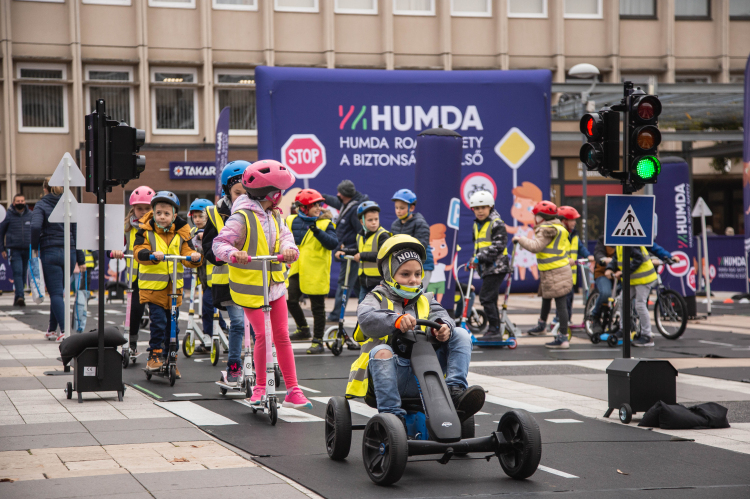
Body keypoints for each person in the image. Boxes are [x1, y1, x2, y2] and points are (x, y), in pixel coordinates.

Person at [346, 235, 485, 426]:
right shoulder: (376, 297)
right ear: (389, 274)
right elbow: (366, 319)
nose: (413, 280)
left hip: (425, 373)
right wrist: (396, 320)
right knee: (381, 351)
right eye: (405, 274)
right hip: (388, 376)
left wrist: (443, 327)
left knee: (459, 333)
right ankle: (392, 416)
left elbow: (444, 316)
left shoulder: (426, 299)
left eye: (417, 274)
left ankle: (454, 392)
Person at [212, 160, 312, 409]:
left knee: (282, 337)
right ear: (273, 194)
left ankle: (293, 389)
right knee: (263, 335)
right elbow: (219, 244)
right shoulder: (241, 216)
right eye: (281, 192)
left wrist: (289, 250)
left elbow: (286, 238)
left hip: (275, 285)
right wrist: (234, 254)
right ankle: (258, 389)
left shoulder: (276, 214)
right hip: (250, 287)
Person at [134, 191, 202, 377]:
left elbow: (188, 252)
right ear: (153, 214)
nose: (162, 217)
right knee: (159, 323)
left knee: (173, 326)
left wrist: (195, 258)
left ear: (174, 216)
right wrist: (150, 255)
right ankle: (154, 356)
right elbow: (138, 250)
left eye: (166, 213)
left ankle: (170, 357)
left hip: (174, 289)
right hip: (153, 289)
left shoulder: (182, 232)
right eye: (158, 213)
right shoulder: (145, 230)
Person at [203, 161, 253, 384]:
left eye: (247, 192)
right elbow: (208, 247)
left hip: (255, 279)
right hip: (229, 281)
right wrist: (226, 254)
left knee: (259, 327)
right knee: (239, 324)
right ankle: (234, 365)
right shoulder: (215, 214)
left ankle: (263, 365)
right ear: (227, 191)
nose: (243, 197)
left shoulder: (260, 212)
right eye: (237, 193)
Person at [31, 178, 86, 341]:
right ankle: (51, 329)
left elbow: (35, 227)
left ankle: (64, 331)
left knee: (55, 292)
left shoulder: (41, 205)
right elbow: (76, 232)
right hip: (69, 253)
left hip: (50, 252)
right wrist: (81, 259)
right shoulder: (68, 205)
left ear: (44, 189)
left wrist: (35, 246)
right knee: (59, 292)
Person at [512, 201, 573, 349]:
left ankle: (563, 338)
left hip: (555, 270)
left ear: (542, 217)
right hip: (556, 269)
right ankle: (542, 325)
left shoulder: (546, 229)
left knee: (560, 304)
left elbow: (536, 247)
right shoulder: (559, 228)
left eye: (536, 215)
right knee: (547, 297)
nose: (534, 218)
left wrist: (520, 239)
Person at [286, 189, 339, 354]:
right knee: (291, 300)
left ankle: (318, 341)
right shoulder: (289, 220)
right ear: (302, 207)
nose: (318, 207)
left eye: (319, 204)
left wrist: (317, 231)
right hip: (296, 268)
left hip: (316, 271)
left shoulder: (325, 223)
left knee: (317, 307)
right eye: (314, 205)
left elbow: (332, 244)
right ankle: (303, 329)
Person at [109, 187, 155, 355]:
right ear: (133, 209)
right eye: (139, 208)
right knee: (135, 309)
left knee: (157, 314)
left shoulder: (158, 225)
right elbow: (116, 244)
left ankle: (157, 347)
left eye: (147, 208)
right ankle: (132, 342)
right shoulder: (127, 226)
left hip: (156, 276)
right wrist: (116, 250)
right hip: (135, 277)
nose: (143, 212)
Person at [322, 180, 369, 322]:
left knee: (344, 284)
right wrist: (320, 196)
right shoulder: (347, 203)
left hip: (350, 255)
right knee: (356, 285)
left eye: (340, 193)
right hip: (349, 254)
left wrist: (350, 250)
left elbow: (361, 233)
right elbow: (333, 200)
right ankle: (366, 311)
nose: (337, 195)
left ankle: (336, 315)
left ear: (345, 195)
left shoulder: (354, 210)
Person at [468, 191, 510, 341]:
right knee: (490, 298)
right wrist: (473, 259)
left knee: (486, 297)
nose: (479, 211)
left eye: (483, 207)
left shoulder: (496, 223)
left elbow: (499, 246)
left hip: (497, 267)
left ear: (490, 207)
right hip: (486, 268)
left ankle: (494, 330)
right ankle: (496, 328)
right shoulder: (476, 225)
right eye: (476, 208)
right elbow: (477, 246)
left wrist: (479, 257)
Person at [189, 198, 226, 352]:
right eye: (195, 217)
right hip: (203, 278)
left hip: (216, 277)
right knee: (208, 308)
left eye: (201, 216)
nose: (197, 220)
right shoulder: (192, 233)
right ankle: (215, 333)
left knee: (208, 306)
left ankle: (212, 334)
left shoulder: (215, 230)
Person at [336, 201, 391, 303]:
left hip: (379, 282)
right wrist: (344, 251)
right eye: (370, 220)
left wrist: (362, 256)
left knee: (377, 308)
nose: (374, 222)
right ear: (362, 222)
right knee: (362, 307)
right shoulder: (360, 236)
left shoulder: (383, 235)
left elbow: (382, 254)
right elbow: (358, 251)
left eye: (376, 219)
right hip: (364, 281)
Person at [605, 246, 657, 347]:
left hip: (643, 278)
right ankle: (624, 329)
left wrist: (624, 271)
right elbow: (616, 258)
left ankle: (647, 336)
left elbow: (638, 258)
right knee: (621, 300)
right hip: (632, 278)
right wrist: (609, 268)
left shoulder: (630, 241)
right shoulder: (620, 243)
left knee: (640, 304)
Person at [554, 206, 594, 327]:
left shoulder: (574, 235)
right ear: (564, 221)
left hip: (571, 275)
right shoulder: (559, 234)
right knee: (562, 299)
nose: (575, 222)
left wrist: (588, 255)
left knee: (569, 298)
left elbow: (580, 248)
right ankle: (559, 320)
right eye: (572, 220)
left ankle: (567, 320)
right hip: (560, 273)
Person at [389, 188, 433, 286]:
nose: (398, 211)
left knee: (417, 294)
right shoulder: (395, 224)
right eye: (396, 208)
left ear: (412, 208)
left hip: (423, 266)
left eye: (402, 208)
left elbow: (421, 246)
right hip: (404, 265)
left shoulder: (420, 223)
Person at [0, 194, 32, 306]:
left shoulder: (30, 215)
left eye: (22, 200)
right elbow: (1, 232)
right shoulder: (8, 215)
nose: (20, 202)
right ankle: (20, 296)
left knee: (23, 274)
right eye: (18, 201)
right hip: (14, 249)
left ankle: (18, 296)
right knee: (18, 272)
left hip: (27, 249)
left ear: (25, 202)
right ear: (13, 203)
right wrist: (2, 249)